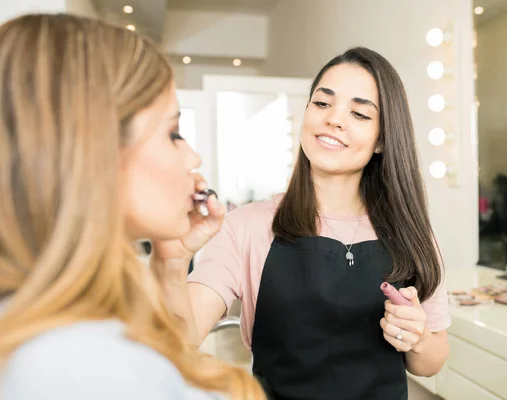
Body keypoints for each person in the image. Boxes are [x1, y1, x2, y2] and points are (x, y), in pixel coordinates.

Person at [0, 13, 264, 400]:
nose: (193, 157)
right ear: (95, 149)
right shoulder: (76, 363)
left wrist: (172, 262)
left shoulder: (62, 327)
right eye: (173, 133)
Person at [166, 47, 451, 399]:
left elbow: (431, 362)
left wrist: (417, 337)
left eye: (360, 113)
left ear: (382, 140)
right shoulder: (246, 227)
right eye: (322, 103)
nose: (333, 119)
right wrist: (172, 256)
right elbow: (176, 339)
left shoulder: (411, 233)